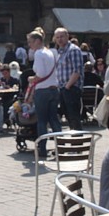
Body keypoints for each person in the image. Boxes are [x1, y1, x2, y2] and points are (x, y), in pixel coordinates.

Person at [25, 29, 61, 157]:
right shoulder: (51, 52)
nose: (29, 44)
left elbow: (40, 74)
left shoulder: (39, 54)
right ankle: (60, 147)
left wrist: (31, 79)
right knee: (54, 119)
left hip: (43, 90)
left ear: (37, 41)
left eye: (31, 42)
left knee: (42, 121)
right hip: (54, 89)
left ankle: (43, 149)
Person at [53, 27, 84, 131]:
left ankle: (78, 139)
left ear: (67, 36)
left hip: (71, 88)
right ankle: (73, 136)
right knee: (68, 116)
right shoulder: (60, 51)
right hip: (62, 88)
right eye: (57, 37)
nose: (59, 39)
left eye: (62, 36)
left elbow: (77, 71)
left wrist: (67, 86)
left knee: (74, 117)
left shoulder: (73, 50)